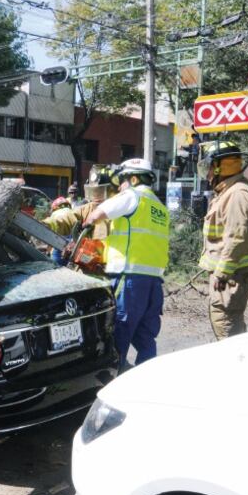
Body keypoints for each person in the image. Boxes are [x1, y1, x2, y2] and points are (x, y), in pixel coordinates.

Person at [83, 159, 169, 370]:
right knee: (145, 338)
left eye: (122, 181)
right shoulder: (160, 207)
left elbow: (98, 214)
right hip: (154, 283)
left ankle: (115, 377)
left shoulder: (132, 196)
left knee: (119, 331)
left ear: (133, 179)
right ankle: (146, 378)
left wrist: (87, 223)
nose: (119, 187)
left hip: (129, 278)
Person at [196, 141, 248, 339]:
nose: (207, 173)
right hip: (233, 272)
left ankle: (234, 357)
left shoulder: (237, 194)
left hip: (234, 273)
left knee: (225, 321)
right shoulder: (228, 191)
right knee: (227, 319)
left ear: (220, 167)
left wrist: (222, 272)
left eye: (209, 167)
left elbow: (237, 237)